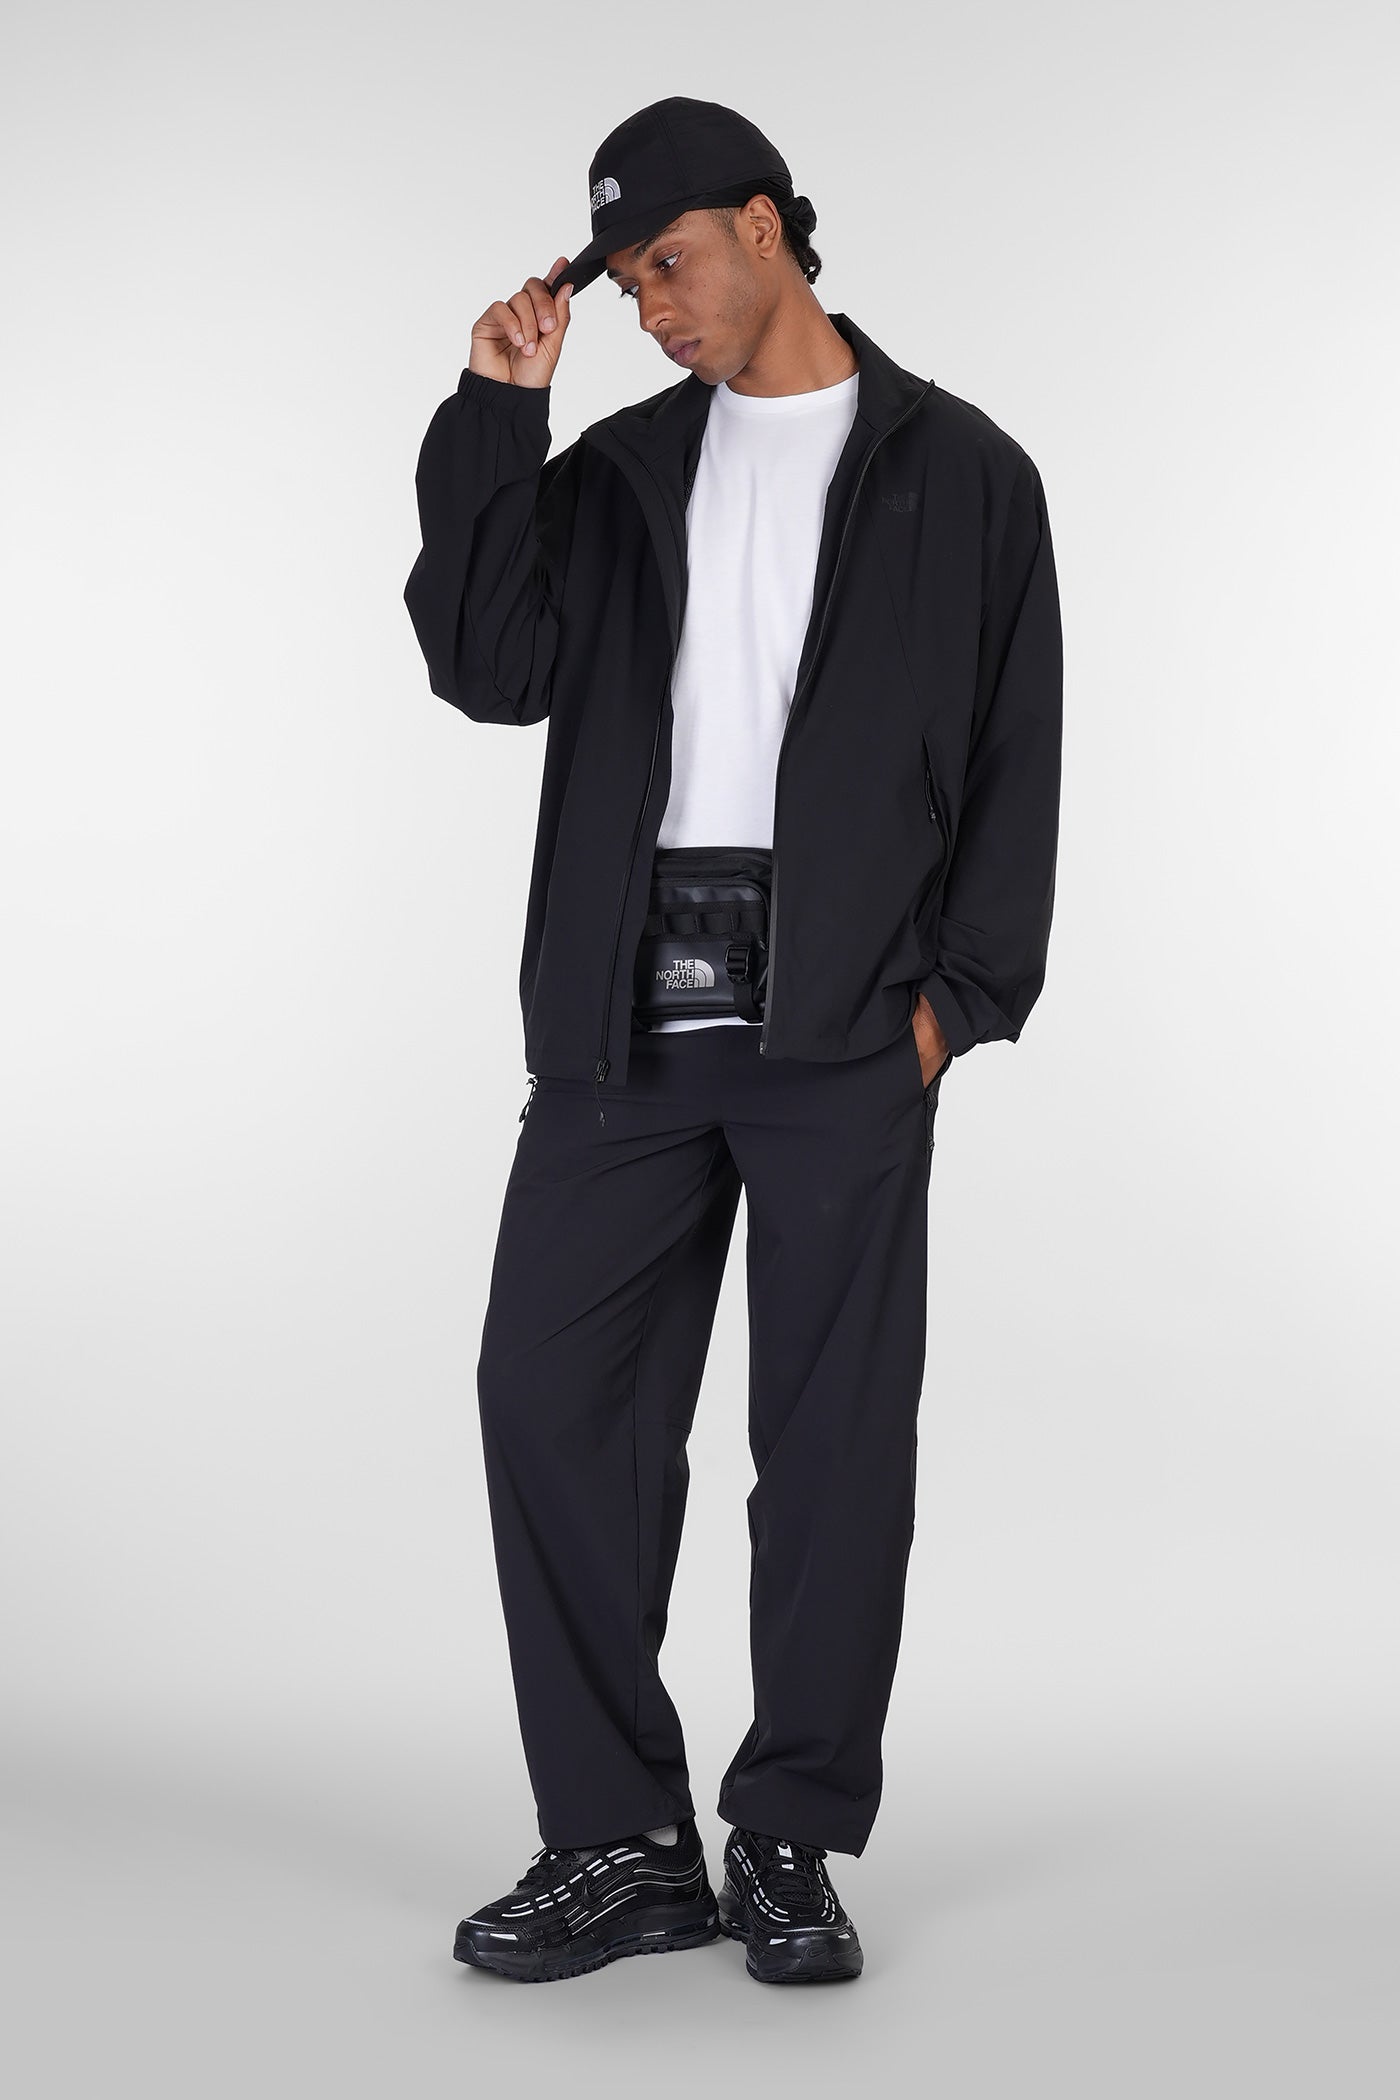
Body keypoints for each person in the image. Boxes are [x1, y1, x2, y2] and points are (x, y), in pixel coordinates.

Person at [403, 95, 1063, 1987]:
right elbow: (487, 666)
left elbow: (1019, 748)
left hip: (851, 1022)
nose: (652, 307)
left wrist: (956, 1008)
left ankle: (787, 1836)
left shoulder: (966, 472)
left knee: (832, 1445)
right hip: (620, 1021)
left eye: (670, 264)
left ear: (765, 227)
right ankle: (620, 1843)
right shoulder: (616, 469)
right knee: (550, 1402)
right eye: (624, 284)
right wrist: (496, 416)